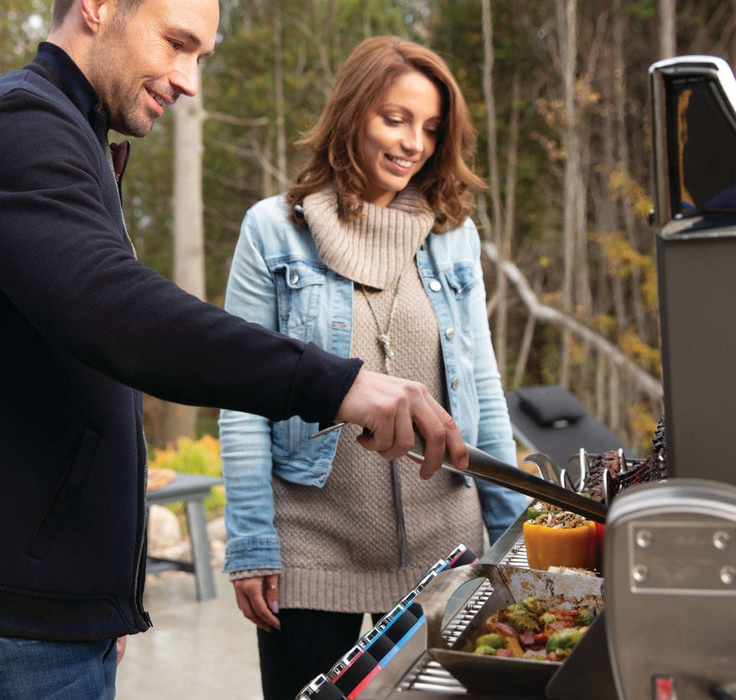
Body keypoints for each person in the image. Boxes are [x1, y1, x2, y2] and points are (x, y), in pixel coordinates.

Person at [0, 0, 469, 700]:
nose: (189, 81)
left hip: (40, 617)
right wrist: (341, 383)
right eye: (177, 43)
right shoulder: (13, 128)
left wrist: (99, 598)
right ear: (98, 0)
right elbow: (119, 316)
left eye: (201, 56)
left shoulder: (67, 140)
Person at [218, 36, 526, 699]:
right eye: (395, 118)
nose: (413, 141)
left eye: (431, 128)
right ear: (353, 114)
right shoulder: (274, 230)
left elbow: (484, 393)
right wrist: (251, 544)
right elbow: (240, 396)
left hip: (444, 551)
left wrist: (513, 541)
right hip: (308, 548)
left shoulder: (454, 236)